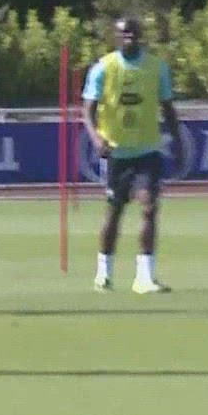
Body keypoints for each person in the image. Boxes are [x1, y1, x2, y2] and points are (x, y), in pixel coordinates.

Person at [83, 16, 187, 294]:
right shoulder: (103, 68)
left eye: (133, 32)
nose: (129, 36)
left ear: (140, 36)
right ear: (116, 37)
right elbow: (88, 111)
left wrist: (178, 142)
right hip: (116, 153)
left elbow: (168, 108)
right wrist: (96, 138)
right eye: (123, 32)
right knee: (114, 212)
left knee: (149, 207)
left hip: (147, 150)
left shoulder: (157, 67)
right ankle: (104, 273)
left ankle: (144, 277)